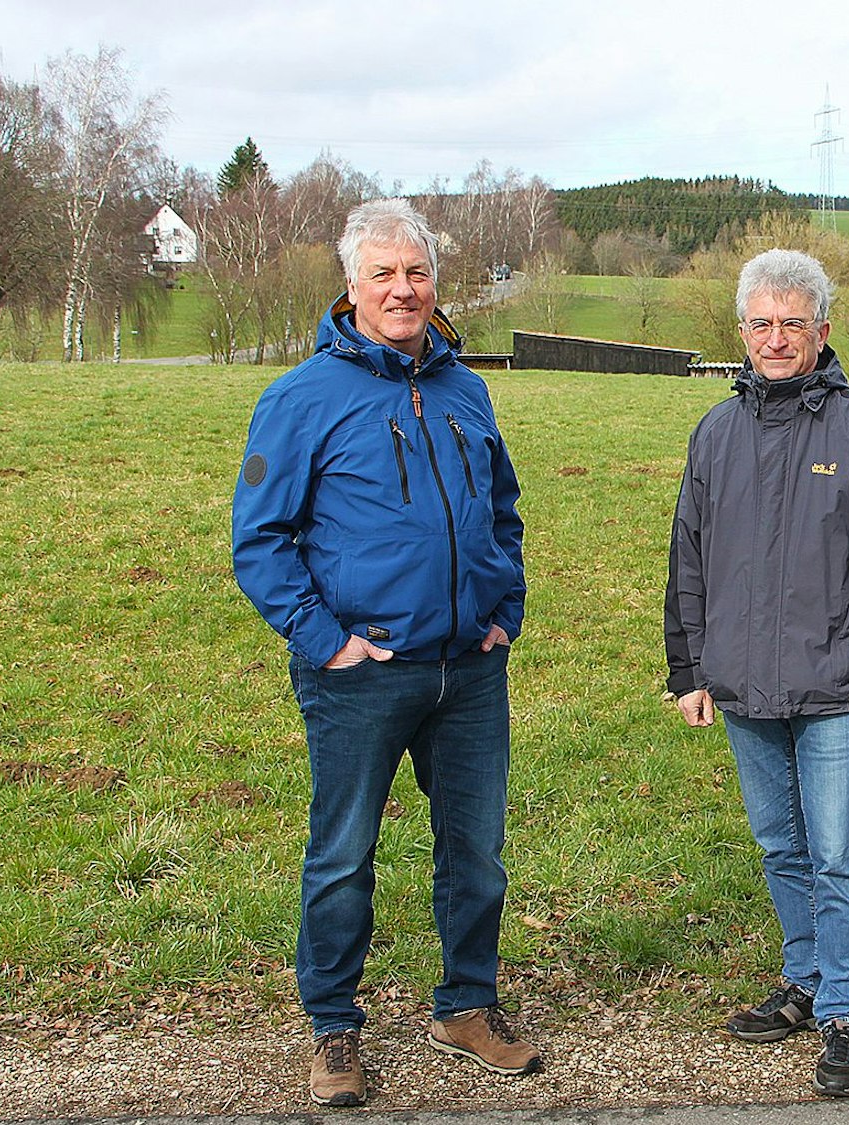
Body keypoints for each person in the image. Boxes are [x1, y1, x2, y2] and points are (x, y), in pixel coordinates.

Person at [232, 199, 539, 1108]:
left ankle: (466, 1005)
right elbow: (261, 539)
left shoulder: (465, 390)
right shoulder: (301, 399)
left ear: (434, 282)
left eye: (417, 273)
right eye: (383, 274)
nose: (403, 290)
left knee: (476, 851)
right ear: (352, 285)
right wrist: (326, 641)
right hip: (362, 674)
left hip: (469, 670)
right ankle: (334, 1026)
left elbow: (504, 511)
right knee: (343, 853)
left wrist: (503, 610)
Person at [664, 248, 849, 1098]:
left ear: (822, 332)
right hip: (742, 684)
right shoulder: (716, 430)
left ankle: (845, 1009)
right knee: (781, 844)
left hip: (836, 689)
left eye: (793, 323)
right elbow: (688, 555)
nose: (776, 338)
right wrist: (689, 665)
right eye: (761, 323)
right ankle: (806, 975)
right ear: (741, 332)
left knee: (837, 853)